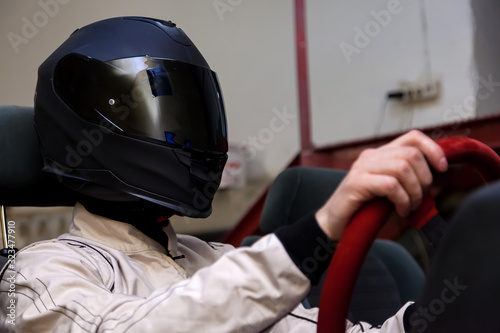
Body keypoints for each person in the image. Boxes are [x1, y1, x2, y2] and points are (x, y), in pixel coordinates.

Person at [0, 17, 448, 332]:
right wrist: (320, 228)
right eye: (164, 119)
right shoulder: (39, 273)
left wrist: (429, 318)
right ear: (91, 127)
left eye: (192, 114)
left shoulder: (212, 260)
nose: (186, 136)